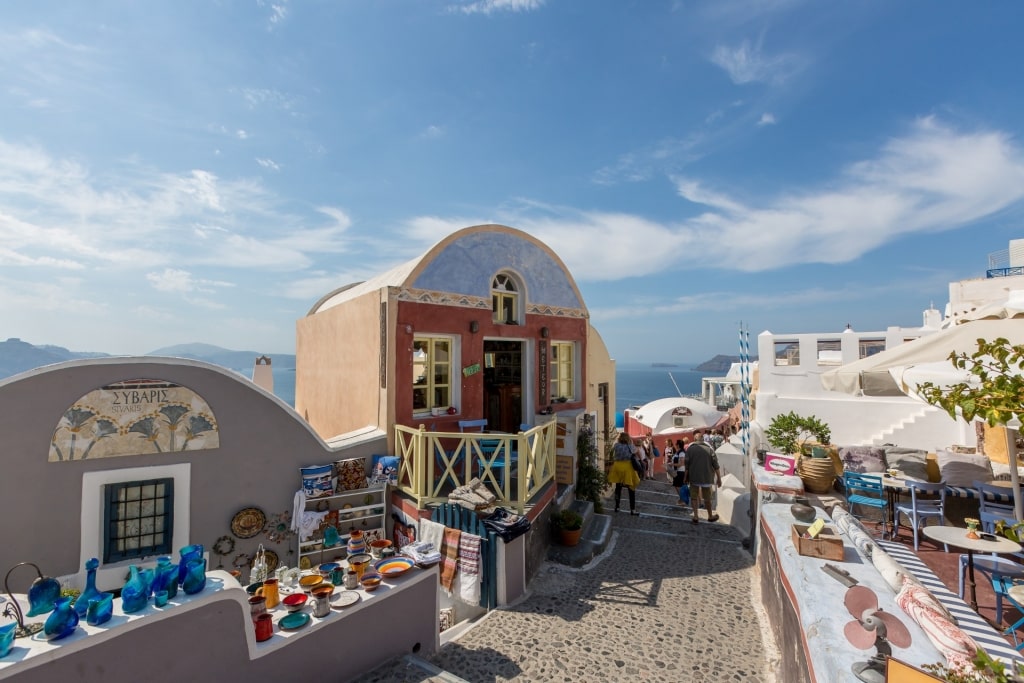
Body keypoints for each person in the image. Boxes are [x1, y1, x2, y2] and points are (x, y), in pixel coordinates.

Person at [686, 430, 722, 524]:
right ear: (702, 439)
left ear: (694, 439)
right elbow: (716, 465)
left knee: (694, 497)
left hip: (694, 477)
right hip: (707, 477)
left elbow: (687, 465)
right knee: (707, 498)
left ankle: (695, 516)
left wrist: (685, 477)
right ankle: (710, 516)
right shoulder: (709, 449)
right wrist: (719, 478)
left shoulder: (690, 449)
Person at [608, 431, 640, 515]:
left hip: (617, 467)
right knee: (631, 489)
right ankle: (632, 510)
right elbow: (636, 451)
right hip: (627, 467)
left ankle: (617, 507)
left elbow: (612, 453)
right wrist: (631, 443)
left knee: (618, 488)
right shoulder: (630, 446)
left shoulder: (616, 445)